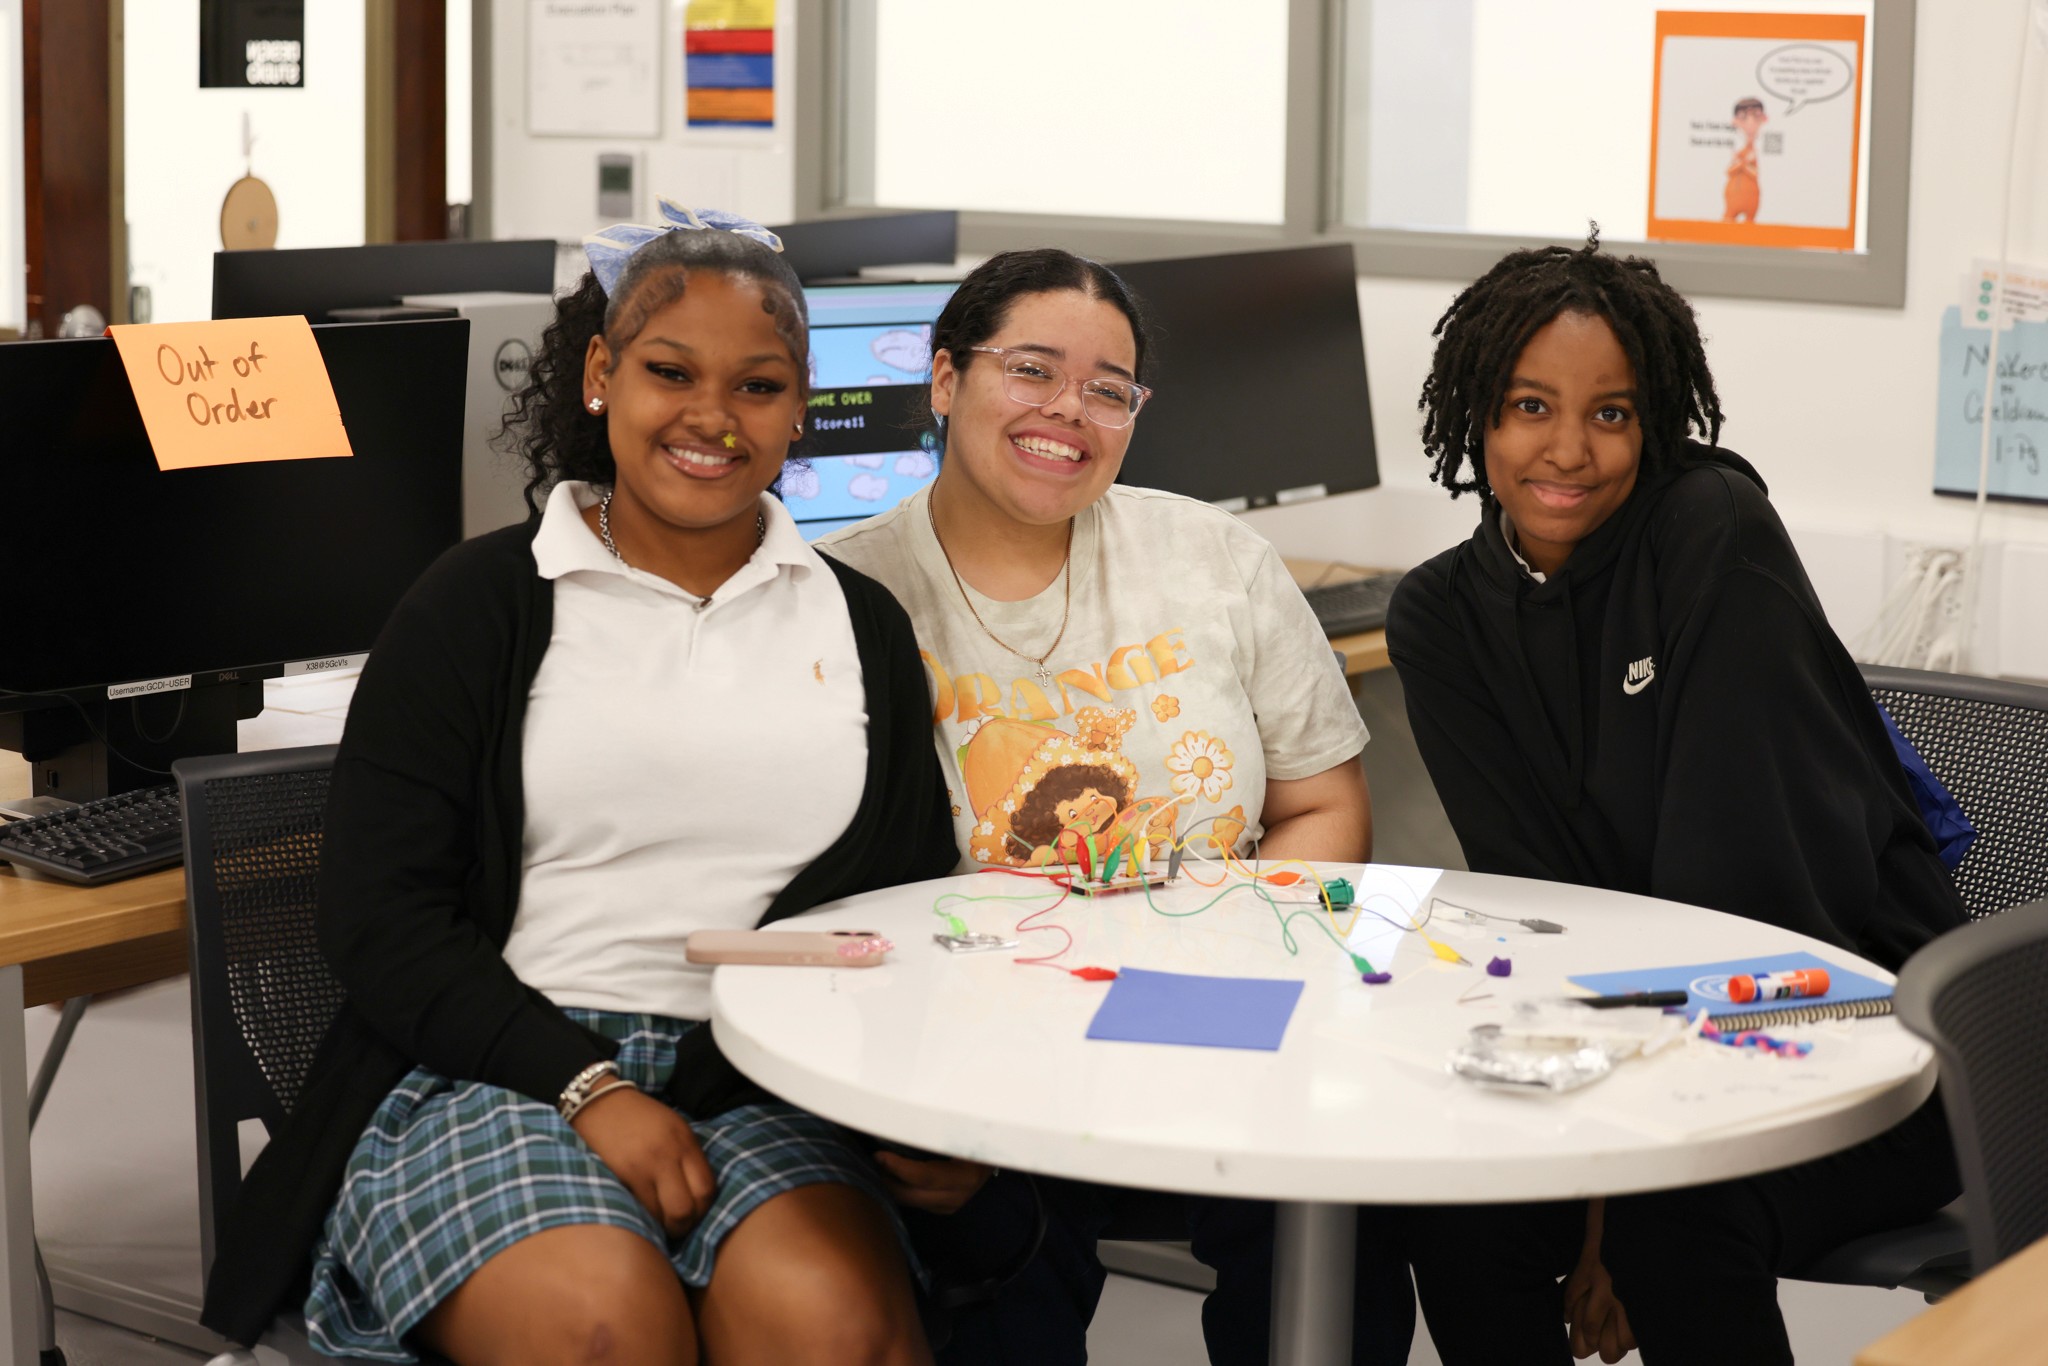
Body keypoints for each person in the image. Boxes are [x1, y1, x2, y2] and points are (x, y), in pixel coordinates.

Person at [196, 203, 959, 1364]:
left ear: (800, 410)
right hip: (499, 1066)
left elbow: (900, 902)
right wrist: (588, 1084)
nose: (711, 417)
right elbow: (379, 920)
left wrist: (915, 1108)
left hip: (761, 1075)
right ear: (602, 374)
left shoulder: (858, 621)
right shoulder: (478, 605)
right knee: (605, 1326)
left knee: (835, 1322)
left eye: (758, 387)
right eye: (668, 372)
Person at [1386, 235, 1966, 1365]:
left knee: (1671, 1226)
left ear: (1653, 422)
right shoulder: (1439, 618)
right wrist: (1600, 1171)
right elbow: (1547, 906)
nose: (1567, 449)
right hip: (1623, 1046)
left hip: (1857, 1035)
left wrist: (1612, 1196)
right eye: (1525, 406)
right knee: (1455, 1206)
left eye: (1610, 413)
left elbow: (1748, 900)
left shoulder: (1711, 536)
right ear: (1474, 419)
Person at [819, 249, 1394, 1366]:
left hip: (1204, 1019)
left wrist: (1221, 975)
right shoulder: (845, 597)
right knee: (996, 1289)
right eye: (1031, 370)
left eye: (1106, 388)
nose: (1066, 413)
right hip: (973, 1043)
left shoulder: (1212, 558)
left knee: (1343, 1234)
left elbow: (1323, 801)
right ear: (942, 379)